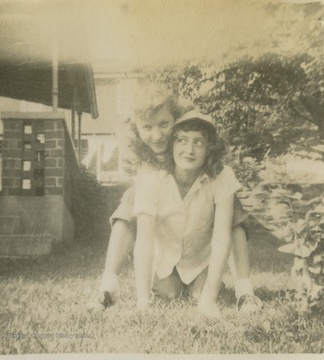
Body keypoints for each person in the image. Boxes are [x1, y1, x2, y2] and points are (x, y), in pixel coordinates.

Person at [99, 83, 261, 313]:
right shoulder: (145, 161)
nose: (157, 136)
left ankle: (244, 291)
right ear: (136, 128)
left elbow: (201, 144)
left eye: (164, 124)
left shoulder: (191, 136)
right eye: (147, 127)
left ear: (175, 120)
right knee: (129, 204)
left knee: (232, 211)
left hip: (202, 208)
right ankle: (108, 285)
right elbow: (144, 230)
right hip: (160, 209)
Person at [133, 111, 262, 317]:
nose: (189, 150)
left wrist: (209, 300)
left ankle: (241, 291)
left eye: (199, 143)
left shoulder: (222, 175)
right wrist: (142, 302)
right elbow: (143, 242)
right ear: (172, 145)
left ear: (210, 149)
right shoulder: (152, 177)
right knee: (169, 294)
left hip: (201, 257)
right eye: (182, 140)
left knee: (200, 295)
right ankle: (174, 285)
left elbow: (221, 237)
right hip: (165, 259)